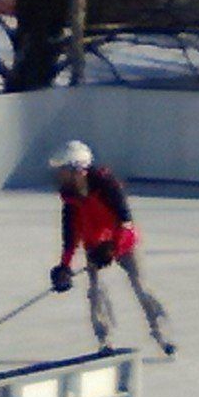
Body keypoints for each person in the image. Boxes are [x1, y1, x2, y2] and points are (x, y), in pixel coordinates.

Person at [47, 140, 174, 355]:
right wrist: (65, 268)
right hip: (94, 247)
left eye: (63, 170)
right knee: (95, 292)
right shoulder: (69, 199)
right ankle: (104, 340)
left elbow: (126, 221)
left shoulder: (107, 185)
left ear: (78, 169)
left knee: (140, 286)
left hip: (123, 243)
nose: (59, 176)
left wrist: (113, 248)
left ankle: (161, 333)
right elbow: (70, 237)